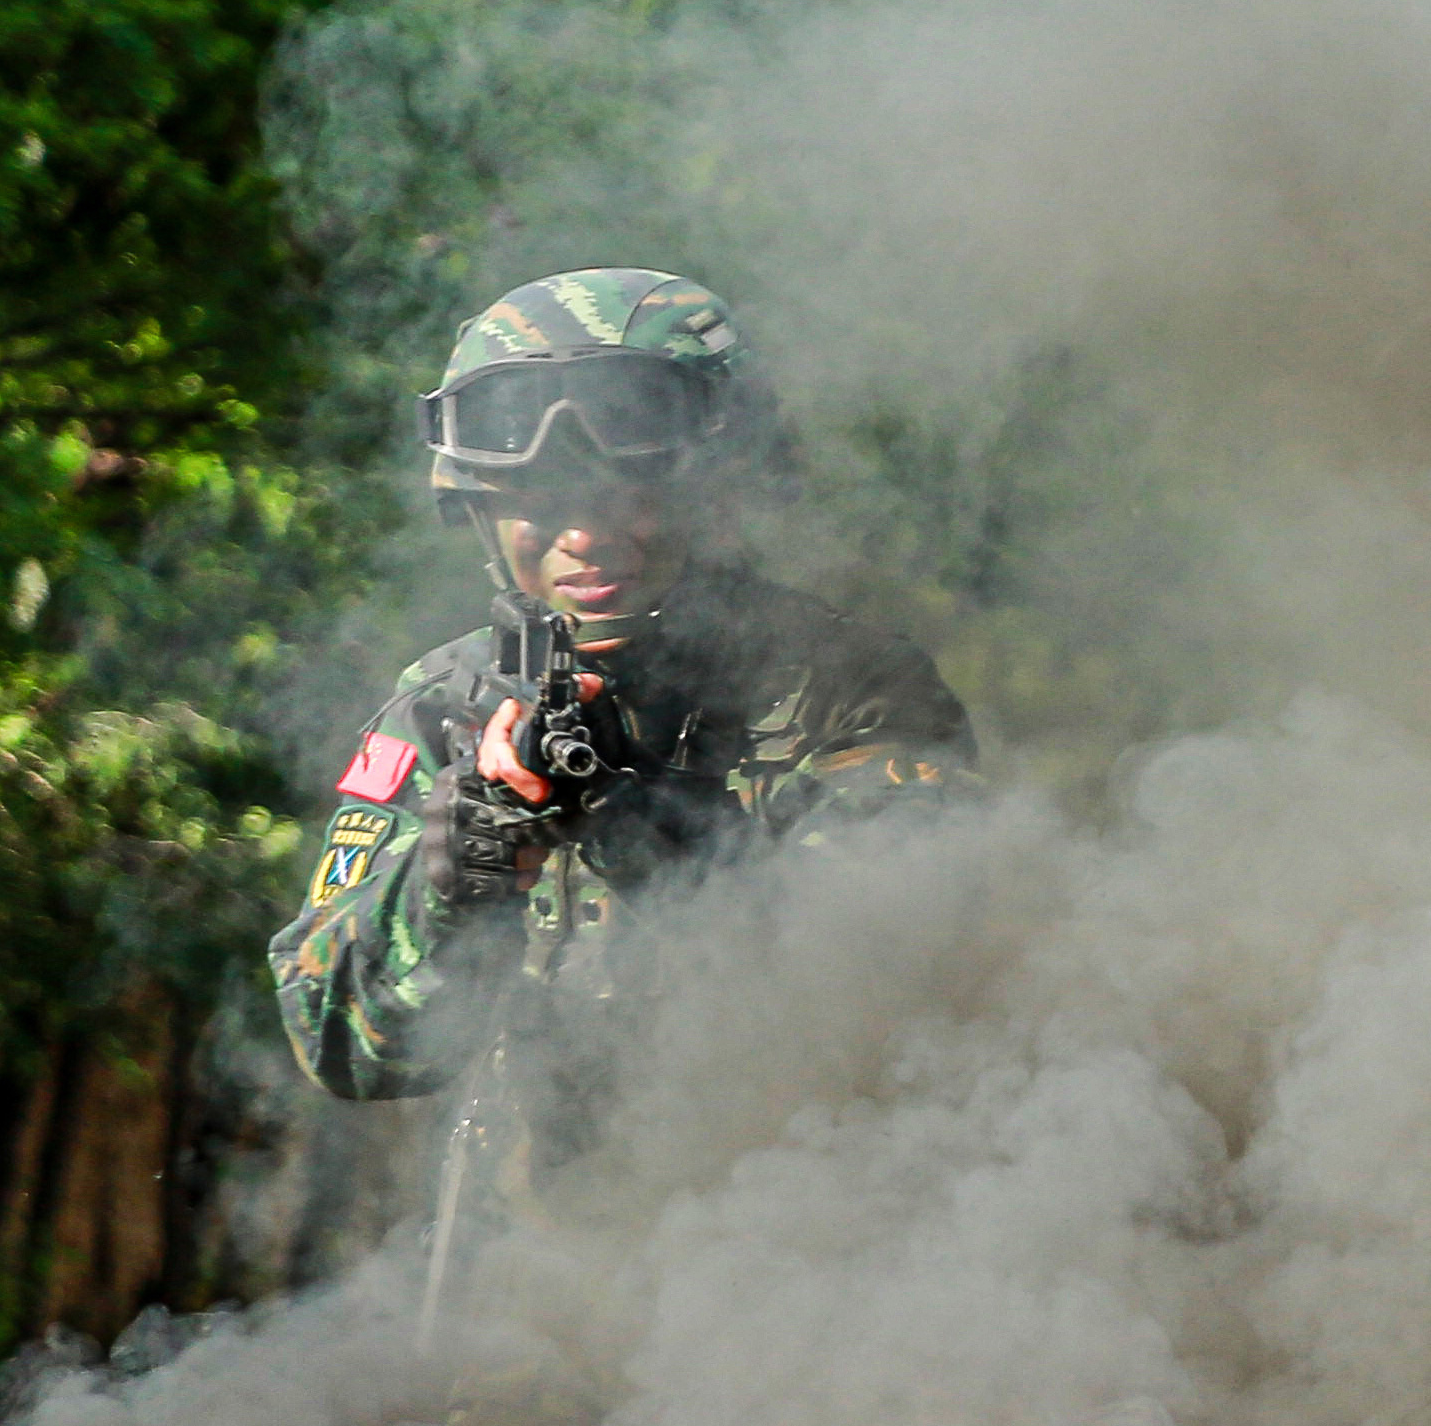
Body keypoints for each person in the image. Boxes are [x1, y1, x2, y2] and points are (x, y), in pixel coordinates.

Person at [270, 270, 966, 1126]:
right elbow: (338, 1045)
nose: (583, 536)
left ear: (720, 497)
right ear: (484, 514)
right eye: (539, 501)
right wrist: (447, 890)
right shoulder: (444, 707)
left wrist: (644, 826)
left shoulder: (846, 688)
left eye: (629, 495)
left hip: (799, 1187)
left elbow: (902, 988)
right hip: (548, 1211)